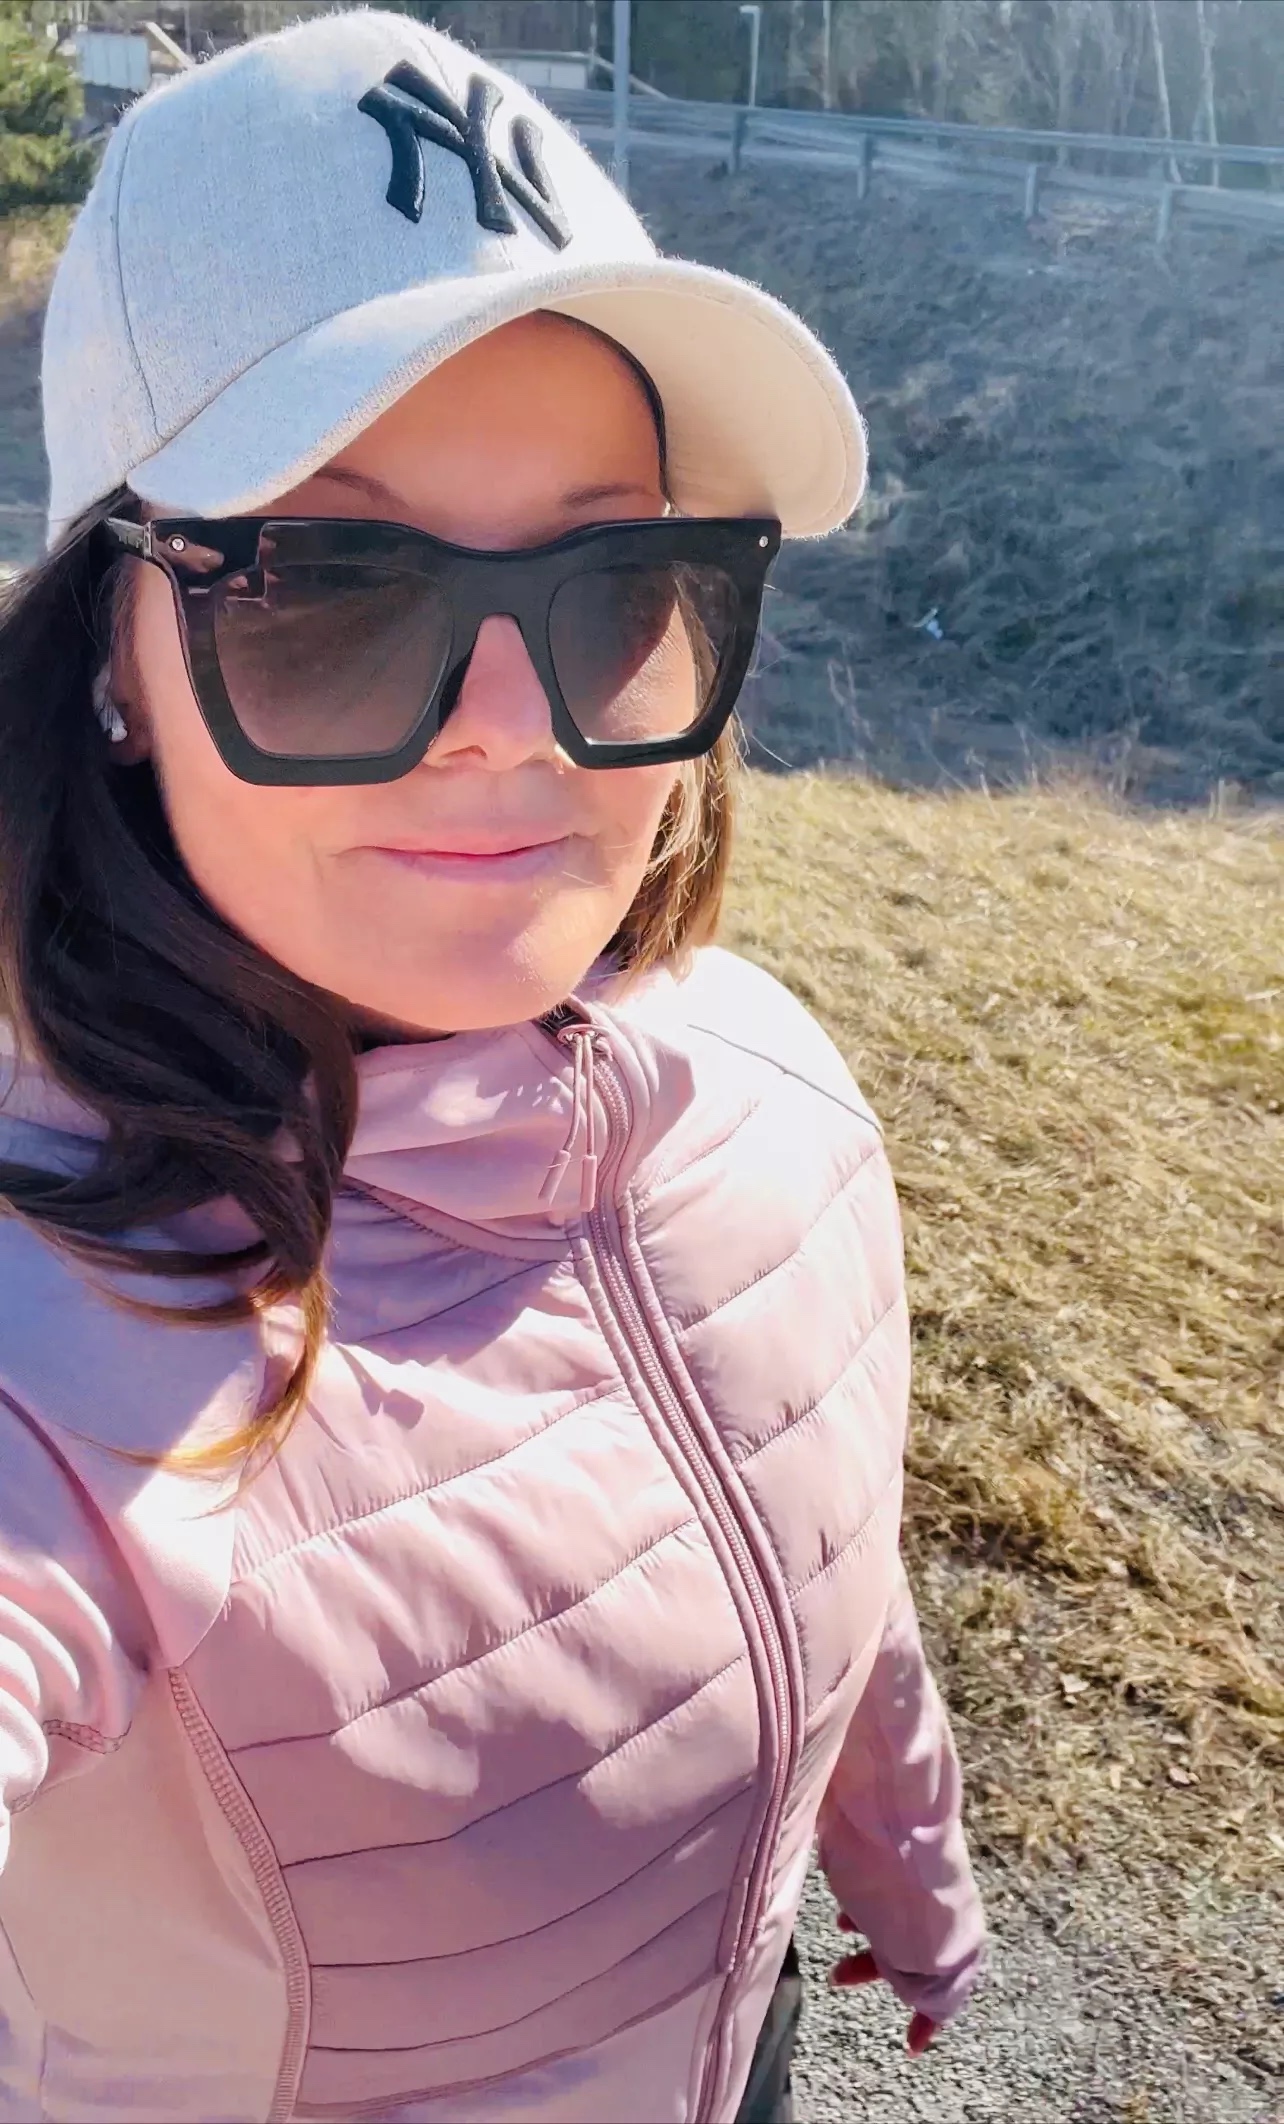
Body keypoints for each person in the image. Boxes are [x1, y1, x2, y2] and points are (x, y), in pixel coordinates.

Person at [0, 14, 985, 2121]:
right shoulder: (52, 1335)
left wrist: (907, 1867)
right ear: (109, 657)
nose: (516, 727)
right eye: (330, 591)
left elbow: (826, 1530)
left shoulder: (773, 1086)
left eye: (621, 581)